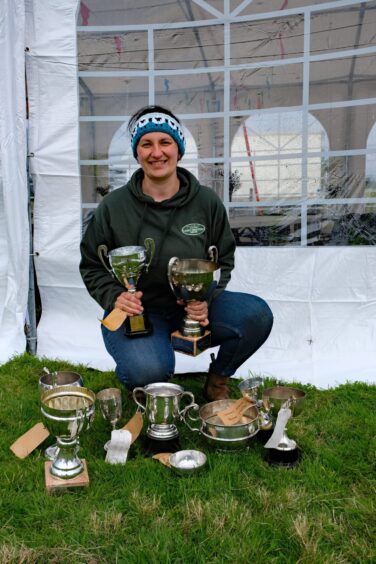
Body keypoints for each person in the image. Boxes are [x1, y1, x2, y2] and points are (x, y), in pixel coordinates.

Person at [80, 105, 273, 401]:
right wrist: (114, 296)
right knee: (148, 371)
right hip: (139, 313)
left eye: (165, 142)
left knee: (256, 316)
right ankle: (139, 369)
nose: (156, 152)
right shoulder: (113, 207)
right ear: (137, 153)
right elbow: (92, 265)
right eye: (147, 144)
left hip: (191, 310)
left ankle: (218, 380)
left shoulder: (206, 202)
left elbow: (223, 259)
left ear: (178, 149)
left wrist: (205, 300)